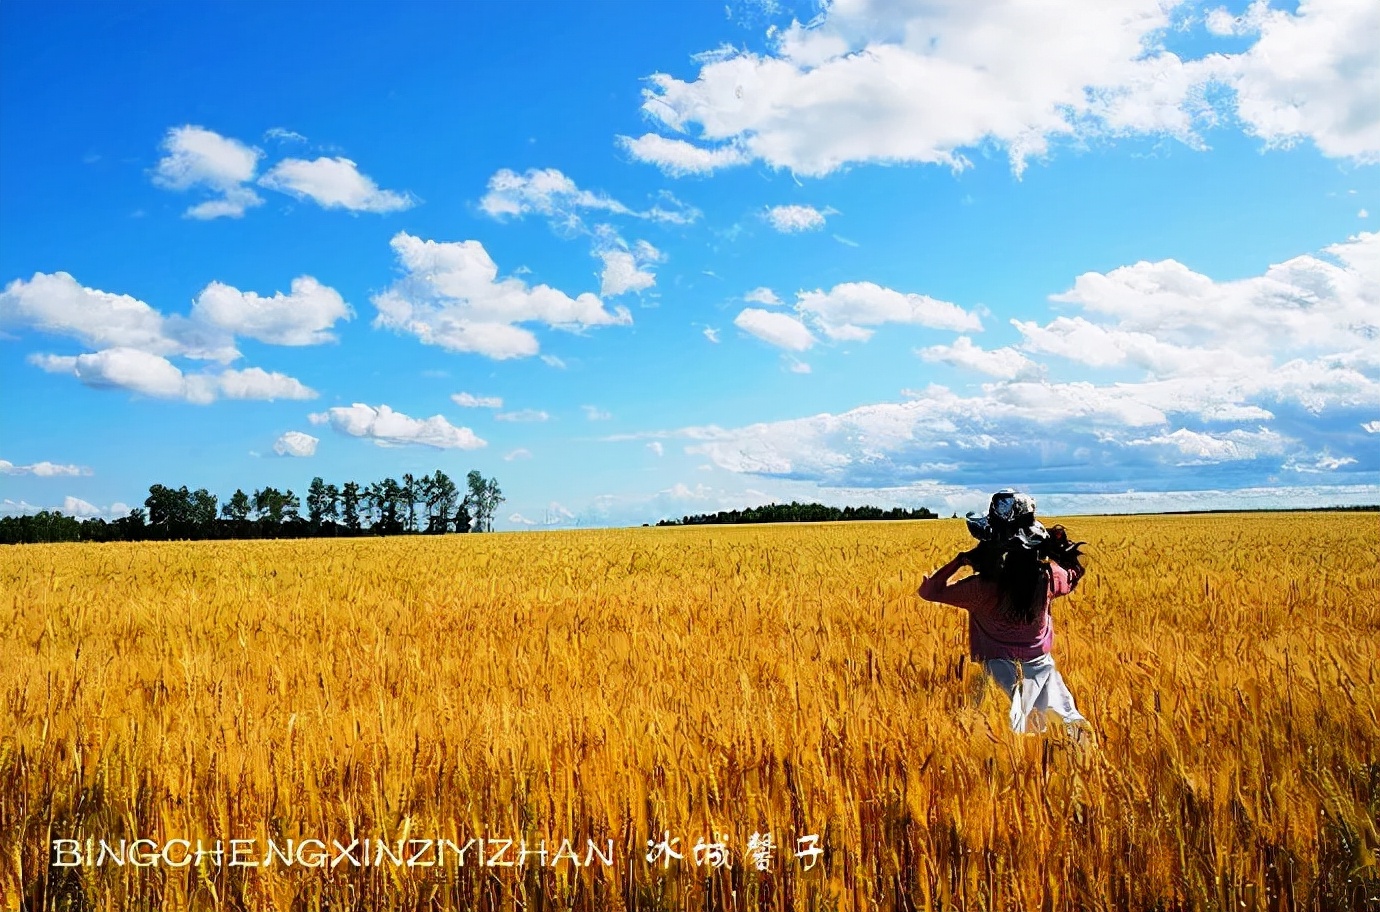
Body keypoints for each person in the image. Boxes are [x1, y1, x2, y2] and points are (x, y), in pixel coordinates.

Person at [917, 490, 1091, 738]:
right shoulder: (1049, 578)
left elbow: (930, 591)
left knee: (1000, 739)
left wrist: (962, 560)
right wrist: (1058, 550)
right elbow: (1074, 572)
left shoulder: (980, 589)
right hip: (1042, 668)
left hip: (996, 674)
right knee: (1067, 730)